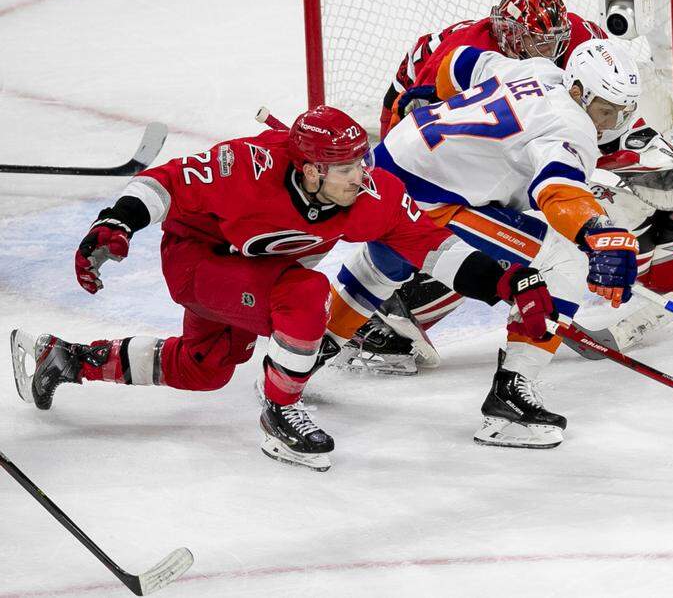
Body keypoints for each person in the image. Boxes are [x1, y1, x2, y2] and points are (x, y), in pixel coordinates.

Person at [8, 105, 555, 472]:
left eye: (361, 161)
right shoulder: (246, 166)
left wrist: (508, 281)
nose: (359, 176)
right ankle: (280, 412)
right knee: (304, 295)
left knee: (204, 368)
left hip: (247, 277)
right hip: (197, 262)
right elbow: (166, 181)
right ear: (309, 169)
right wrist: (117, 222)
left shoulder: (369, 194)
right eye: (344, 167)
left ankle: (66, 358)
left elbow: (432, 244)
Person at [325, 40, 645, 449]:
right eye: (606, 110)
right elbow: (558, 191)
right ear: (579, 90)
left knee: (391, 257)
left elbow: (458, 63)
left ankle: (311, 349)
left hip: (386, 167)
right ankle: (511, 398)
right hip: (429, 197)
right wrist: (598, 235)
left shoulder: (536, 69)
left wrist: (435, 96)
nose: (612, 122)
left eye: (623, 112)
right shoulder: (572, 125)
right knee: (565, 261)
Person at [378, 0, 607, 138]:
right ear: (512, 34)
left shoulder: (573, 31)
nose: (552, 50)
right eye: (540, 42)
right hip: (413, 84)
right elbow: (417, 124)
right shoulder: (466, 53)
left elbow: (611, 75)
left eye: (557, 40)